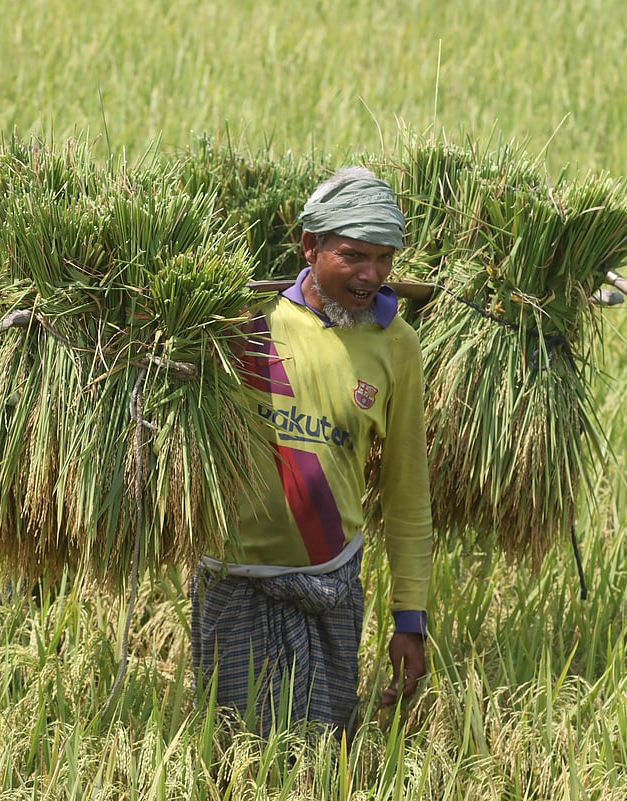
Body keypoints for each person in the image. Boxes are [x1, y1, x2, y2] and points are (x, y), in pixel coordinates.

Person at [190, 166, 433, 735]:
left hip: (330, 583)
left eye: (384, 258)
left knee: (321, 764)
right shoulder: (243, 323)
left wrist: (410, 620)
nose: (370, 274)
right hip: (233, 577)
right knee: (229, 761)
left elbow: (405, 494)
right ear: (310, 246)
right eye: (353, 256)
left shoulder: (395, 343)